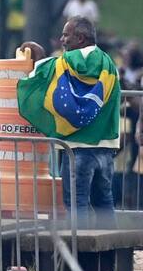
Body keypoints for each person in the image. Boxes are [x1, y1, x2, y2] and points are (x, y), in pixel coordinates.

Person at [23, 17, 120, 228]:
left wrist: (38, 55)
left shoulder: (70, 60)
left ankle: (79, 247)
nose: (62, 39)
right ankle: (112, 248)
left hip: (78, 147)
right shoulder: (109, 64)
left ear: (80, 38)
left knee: (77, 204)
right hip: (105, 146)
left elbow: (46, 71)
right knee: (104, 203)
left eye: (66, 35)